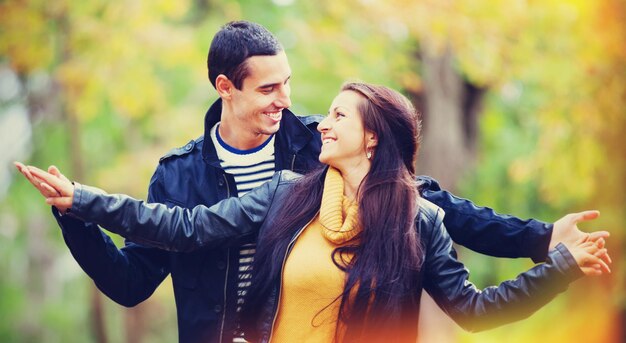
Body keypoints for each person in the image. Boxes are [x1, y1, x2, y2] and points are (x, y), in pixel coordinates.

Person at [15, 21, 610, 343]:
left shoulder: (311, 150)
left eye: (289, 84)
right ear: (227, 88)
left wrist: (538, 240)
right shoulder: (181, 175)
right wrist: (76, 211)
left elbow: (434, 208)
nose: (289, 102)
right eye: (269, 89)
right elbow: (142, 269)